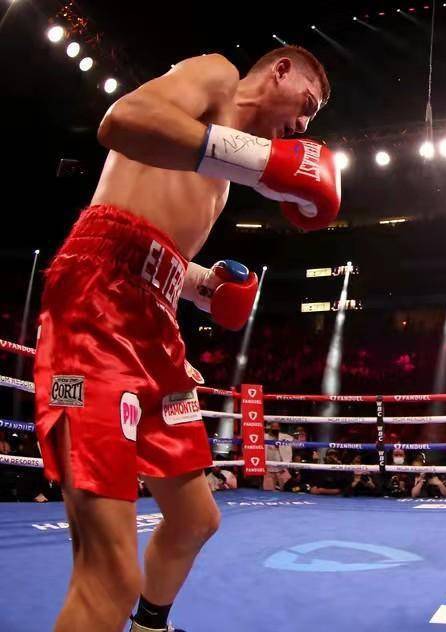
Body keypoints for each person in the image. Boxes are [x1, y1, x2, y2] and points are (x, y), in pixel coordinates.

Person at [31, 45, 339, 632]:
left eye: (313, 119)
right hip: (97, 301)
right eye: (306, 103)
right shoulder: (217, 76)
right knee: (109, 576)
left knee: (197, 518)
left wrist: (204, 287)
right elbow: (120, 122)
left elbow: (158, 242)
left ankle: (151, 625)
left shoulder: (223, 182)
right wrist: (261, 161)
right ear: (279, 70)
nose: (304, 125)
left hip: (155, 322)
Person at [263, 422, 293, 491]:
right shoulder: (265, 437)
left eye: (276, 427)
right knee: (268, 491)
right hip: (269, 469)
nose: (275, 429)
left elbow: (294, 441)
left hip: (281, 468)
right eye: (273, 427)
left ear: (279, 428)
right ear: (270, 428)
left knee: (285, 489)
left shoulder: (284, 437)